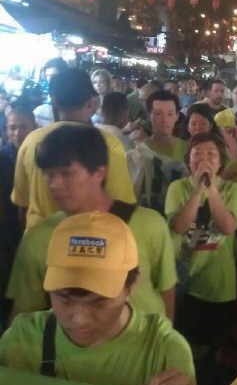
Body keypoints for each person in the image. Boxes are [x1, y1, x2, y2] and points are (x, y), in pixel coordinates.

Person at [1, 211, 199, 385]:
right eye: (64, 298)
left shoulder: (164, 352)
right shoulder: (21, 341)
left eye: (99, 302)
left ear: (131, 286)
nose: (79, 319)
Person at [8, 124, 176, 320]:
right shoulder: (39, 238)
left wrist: (165, 334)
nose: (54, 184)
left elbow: (166, 290)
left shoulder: (149, 225)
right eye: (49, 175)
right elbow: (24, 316)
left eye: (66, 173)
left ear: (99, 172)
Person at [165, 132, 237, 385]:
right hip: (182, 283)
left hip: (218, 285)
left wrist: (211, 191)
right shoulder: (177, 188)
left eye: (211, 154)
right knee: (182, 348)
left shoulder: (233, 190)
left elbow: (227, 227)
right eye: (197, 154)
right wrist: (198, 190)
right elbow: (179, 226)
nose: (204, 159)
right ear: (188, 159)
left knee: (212, 352)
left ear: (221, 162)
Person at [11, 69, 135, 231]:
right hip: (88, 240)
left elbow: (22, 204)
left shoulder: (32, 141)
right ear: (91, 103)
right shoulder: (107, 144)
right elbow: (122, 205)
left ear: (54, 103)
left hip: (39, 238)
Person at [0, 103, 35, 321]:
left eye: (23, 127)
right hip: (7, 231)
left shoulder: (41, 156)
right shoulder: (2, 158)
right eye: (12, 127)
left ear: (34, 127)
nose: (17, 133)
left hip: (31, 228)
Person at [146, 90, 187, 162]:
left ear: (177, 116)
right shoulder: (138, 152)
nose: (164, 120)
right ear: (149, 116)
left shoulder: (187, 150)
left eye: (170, 114)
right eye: (158, 114)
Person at [33, 58, 69, 128]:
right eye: (47, 76)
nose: (50, 80)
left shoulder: (73, 105)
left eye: (54, 76)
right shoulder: (40, 109)